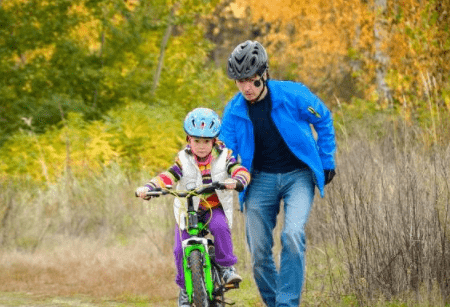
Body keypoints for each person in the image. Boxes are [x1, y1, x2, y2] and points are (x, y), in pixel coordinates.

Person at [219, 40, 336, 307]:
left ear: (264, 75)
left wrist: (327, 159)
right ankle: (277, 304)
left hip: (298, 176)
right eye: (240, 81)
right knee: (259, 252)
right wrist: (219, 174)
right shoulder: (234, 110)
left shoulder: (293, 94)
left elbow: (324, 118)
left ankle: (287, 304)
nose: (246, 87)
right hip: (258, 179)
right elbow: (224, 150)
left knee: (292, 235)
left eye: (252, 80)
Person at [136, 107, 251, 307]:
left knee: (220, 228)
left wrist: (238, 179)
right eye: (196, 140)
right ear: (188, 139)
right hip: (188, 211)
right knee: (180, 250)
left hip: (213, 207)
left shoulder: (224, 155)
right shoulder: (183, 159)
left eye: (206, 141)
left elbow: (239, 169)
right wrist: (149, 187)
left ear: (214, 141)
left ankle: (226, 269)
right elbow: (168, 176)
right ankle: (183, 289)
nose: (201, 146)